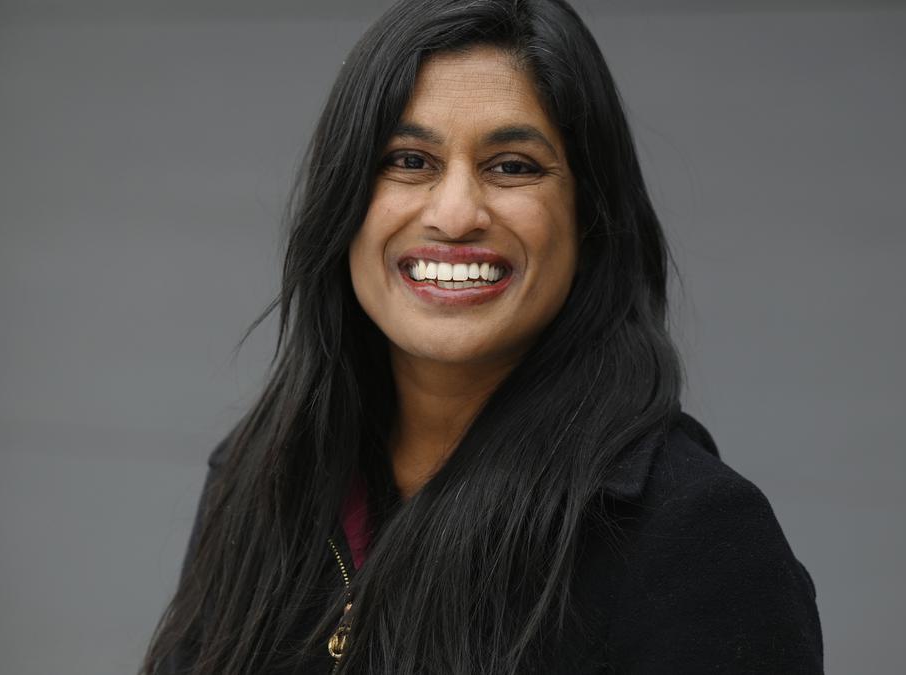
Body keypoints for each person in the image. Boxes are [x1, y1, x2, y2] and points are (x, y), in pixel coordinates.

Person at [142, 0, 824, 673]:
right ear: (343, 201)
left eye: (513, 166)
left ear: (590, 215)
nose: (455, 213)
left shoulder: (693, 536)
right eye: (410, 160)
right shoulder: (262, 476)